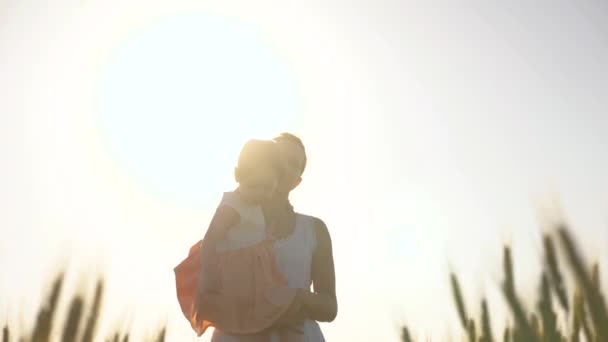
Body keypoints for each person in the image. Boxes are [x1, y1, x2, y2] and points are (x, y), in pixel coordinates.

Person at [210, 133, 337, 342]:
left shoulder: (314, 229)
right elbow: (205, 288)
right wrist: (267, 313)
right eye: (276, 158)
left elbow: (330, 307)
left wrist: (295, 300)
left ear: (297, 181)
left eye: (292, 163)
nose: (283, 166)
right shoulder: (230, 218)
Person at [174, 139, 304, 341]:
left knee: (275, 302)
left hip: (256, 267)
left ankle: (287, 329)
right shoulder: (232, 206)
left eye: (267, 187)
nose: (260, 192)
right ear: (239, 176)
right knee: (257, 309)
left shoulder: (256, 203)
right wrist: (210, 278)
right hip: (235, 270)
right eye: (255, 186)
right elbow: (210, 240)